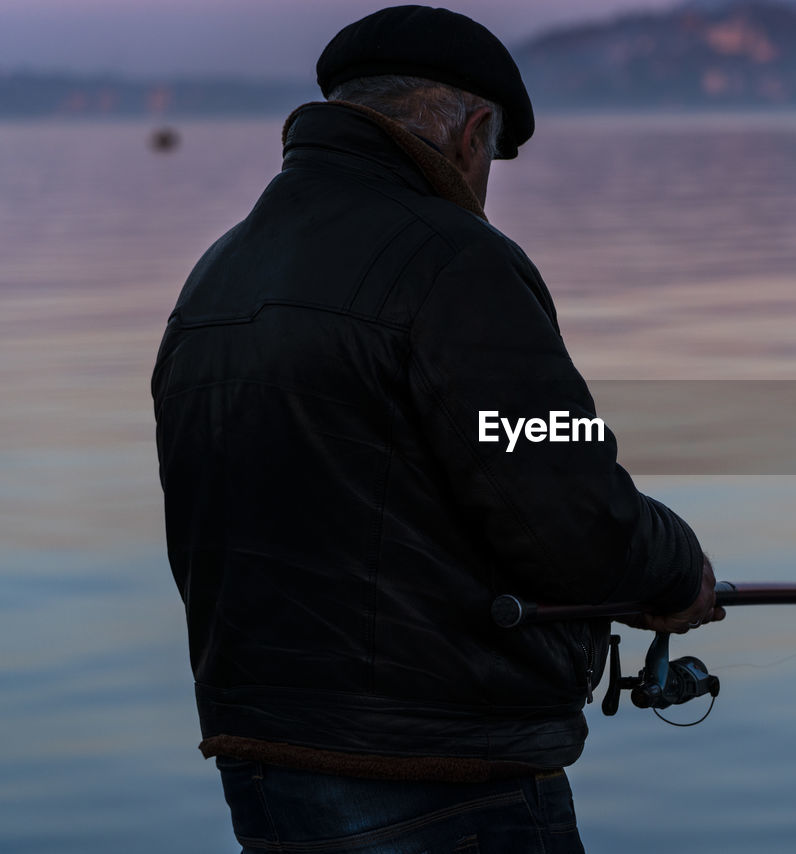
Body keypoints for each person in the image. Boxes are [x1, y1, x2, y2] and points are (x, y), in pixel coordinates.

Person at [150, 6, 723, 853]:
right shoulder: (457, 261)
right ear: (474, 131)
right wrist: (678, 572)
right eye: (493, 158)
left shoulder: (218, 272)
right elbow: (572, 511)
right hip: (441, 780)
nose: (485, 183)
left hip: (263, 766)